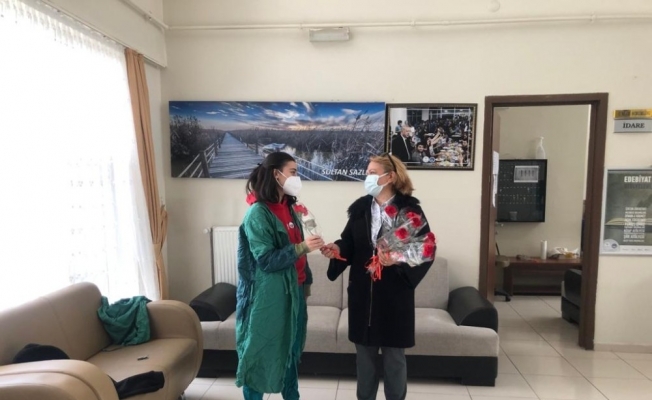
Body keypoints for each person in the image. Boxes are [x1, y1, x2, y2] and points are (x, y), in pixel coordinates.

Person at [321, 153, 433, 400]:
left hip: (394, 295)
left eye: (372, 173)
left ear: (390, 177)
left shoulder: (409, 211)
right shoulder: (361, 209)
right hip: (362, 294)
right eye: (367, 172)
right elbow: (349, 242)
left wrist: (398, 259)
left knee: (394, 359)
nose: (367, 177)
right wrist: (337, 249)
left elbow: (425, 249)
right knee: (364, 359)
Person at [236, 152, 324, 400]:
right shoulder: (258, 214)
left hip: (295, 291)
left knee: (291, 352)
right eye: (293, 172)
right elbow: (265, 260)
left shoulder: (289, 207)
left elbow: (298, 248)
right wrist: (302, 247)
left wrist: (315, 249)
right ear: (276, 174)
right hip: (268, 297)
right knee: (260, 352)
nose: (297, 177)